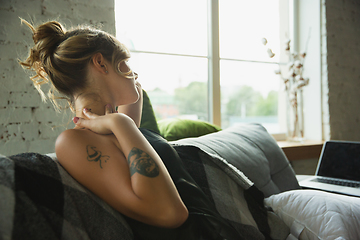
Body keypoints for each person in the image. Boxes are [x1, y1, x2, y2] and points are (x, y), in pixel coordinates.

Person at [20, 19, 264, 240]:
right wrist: (120, 122)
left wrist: (121, 96)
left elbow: (133, 111)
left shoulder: (119, 129)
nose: (133, 72)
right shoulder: (74, 141)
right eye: (125, 62)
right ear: (99, 62)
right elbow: (170, 214)